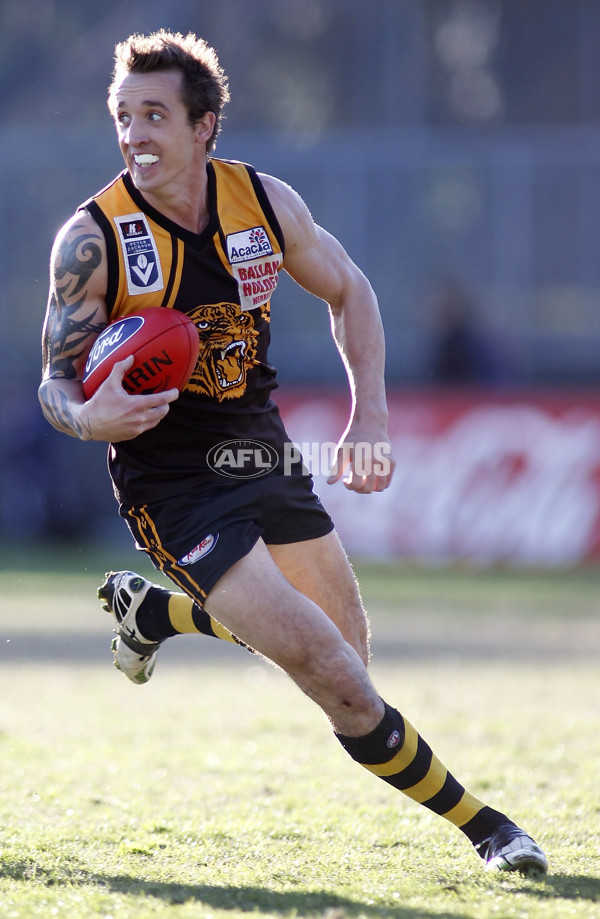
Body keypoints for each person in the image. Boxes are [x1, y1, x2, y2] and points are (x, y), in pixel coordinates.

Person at [38, 29, 547, 876]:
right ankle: (490, 826)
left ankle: (154, 613)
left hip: (259, 453)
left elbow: (351, 291)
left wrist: (370, 416)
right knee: (334, 676)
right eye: (123, 116)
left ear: (205, 126)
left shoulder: (265, 205)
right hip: (171, 485)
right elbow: (53, 383)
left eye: (155, 115)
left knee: (349, 652)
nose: (134, 136)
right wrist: (94, 418)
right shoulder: (92, 239)